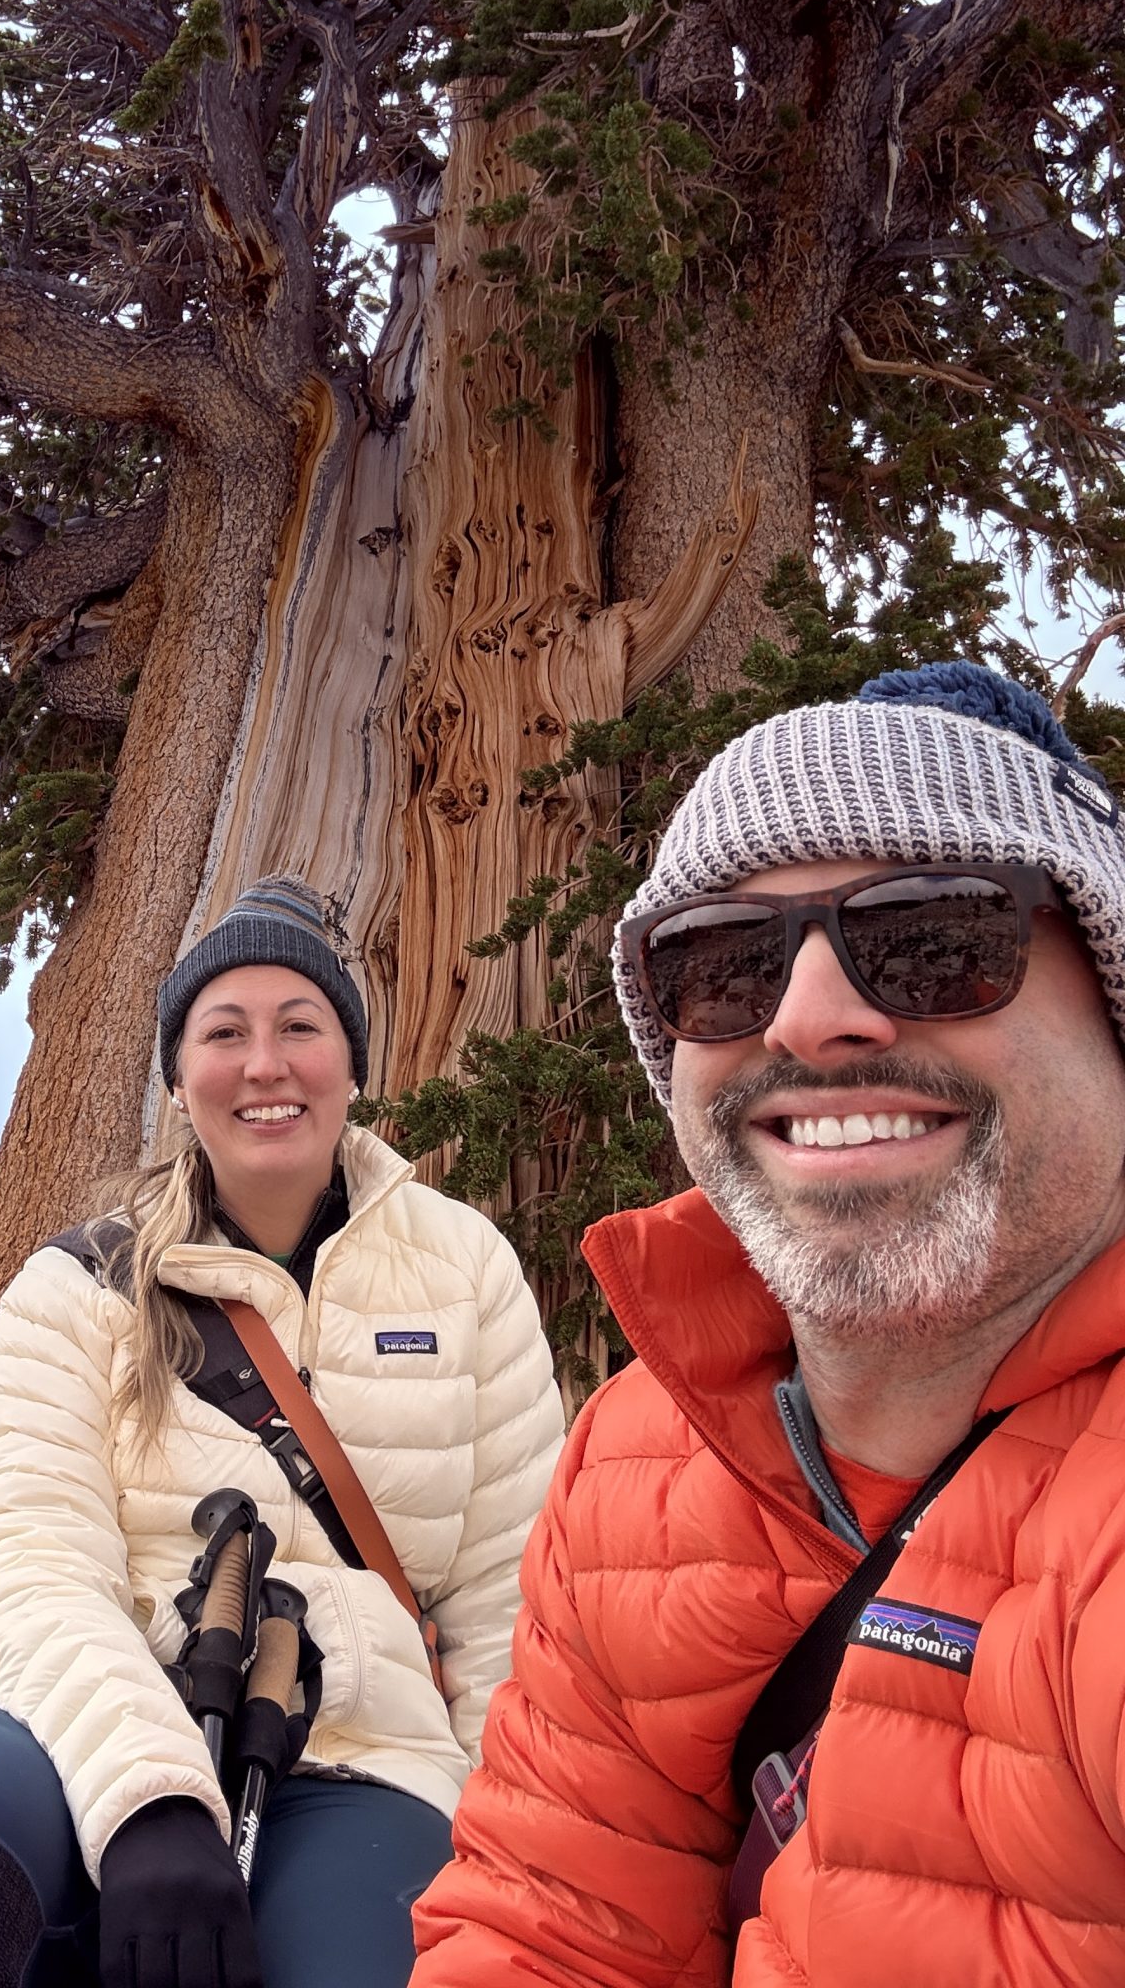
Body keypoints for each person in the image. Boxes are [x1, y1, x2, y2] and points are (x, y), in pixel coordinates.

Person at [410, 660, 1125, 1987]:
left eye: (936, 938)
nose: (808, 1019)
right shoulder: (640, 1450)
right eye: (726, 967)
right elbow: (549, 1926)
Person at [0, 878, 565, 1988]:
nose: (264, 1063)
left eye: (302, 1026)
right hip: (71, 1700)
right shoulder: (78, 1279)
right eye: (222, 1032)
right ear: (179, 1077)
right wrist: (149, 1796)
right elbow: (28, 1555)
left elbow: (508, 1594)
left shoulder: (464, 1265)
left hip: (360, 1745)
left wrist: (511, 1840)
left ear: (353, 1061)